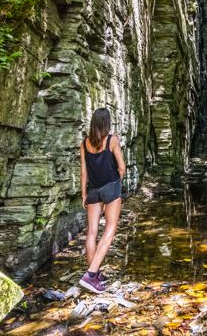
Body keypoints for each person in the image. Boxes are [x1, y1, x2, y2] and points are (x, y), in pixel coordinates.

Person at [79, 107, 126, 293]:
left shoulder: (84, 143)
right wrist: (118, 183)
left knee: (91, 232)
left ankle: (94, 273)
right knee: (110, 229)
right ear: (106, 123)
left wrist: (84, 194)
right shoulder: (112, 140)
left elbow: (84, 172)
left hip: (93, 191)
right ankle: (90, 275)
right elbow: (121, 167)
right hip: (110, 187)